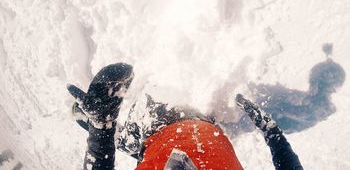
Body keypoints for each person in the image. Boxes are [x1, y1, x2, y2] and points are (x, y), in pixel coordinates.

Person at [67, 63, 303, 170]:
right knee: (139, 144)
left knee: (135, 142)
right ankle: (108, 129)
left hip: (153, 129)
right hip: (198, 123)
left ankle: (101, 125)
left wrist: (101, 127)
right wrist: (270, 129)